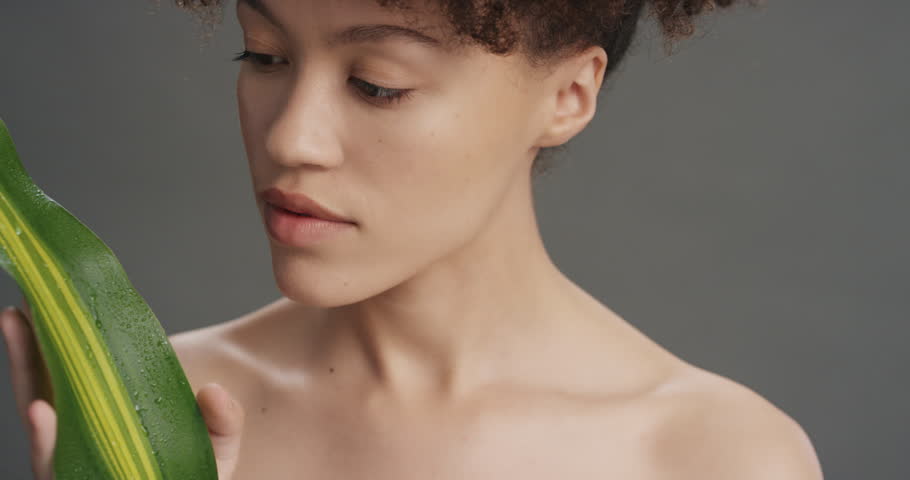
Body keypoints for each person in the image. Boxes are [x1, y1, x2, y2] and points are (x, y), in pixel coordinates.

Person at [1, 0, 825, 478]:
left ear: (569, 94)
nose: (293, 139)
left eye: (377, 84)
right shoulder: (160, 407)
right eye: (264, 56)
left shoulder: (711, 456)